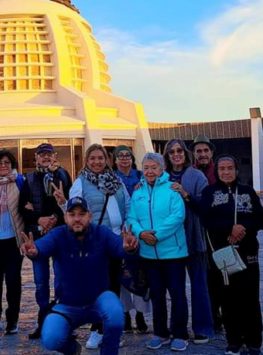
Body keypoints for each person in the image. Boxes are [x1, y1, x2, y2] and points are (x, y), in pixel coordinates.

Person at [20, 196, 139, 355]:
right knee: (50, 338)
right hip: (67, 304)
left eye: (82, 214)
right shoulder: (58, 234)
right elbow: (42, 247)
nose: (77, 219)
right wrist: (34, 251)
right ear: (65, 217)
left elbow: (120, 246)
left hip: (99, 299)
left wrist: (128, 248)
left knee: (115, 313)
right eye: (72, 214)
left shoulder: (101, 233)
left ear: (90, 216)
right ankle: (73, 350)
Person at [200, 155, 263, 355]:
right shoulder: (209, 193)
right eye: (222, 168)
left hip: (248, 252)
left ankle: (254, 341)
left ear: (236, 170)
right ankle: (234, 340)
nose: (226, 172)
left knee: (250, 298)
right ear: (217, 171)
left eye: (230, 168)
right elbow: (207, 220)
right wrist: (230, 227)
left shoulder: (247, 192)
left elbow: (262, 219)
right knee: (229, 298)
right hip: (224, 254)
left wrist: (243, 228)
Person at [65, 144, 131, 350]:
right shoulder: (80, 183)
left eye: (100, 158)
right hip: (94, 241)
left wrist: (126, 230)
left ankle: (111, 330)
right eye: (92, 158)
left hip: (116, 240)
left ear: (107, 160)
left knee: (113, 285)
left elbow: (127, 206)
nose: (97, 162)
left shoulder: (117, 181)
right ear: (86, 161)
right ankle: (97, 328)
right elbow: (73, 212)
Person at [126, 152, 189, 352]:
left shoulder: (172, 190)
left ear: (161, 169)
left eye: (154, 167)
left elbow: (177, 216)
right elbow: (131, 217)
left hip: (174, 254)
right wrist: (141, 233)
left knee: (177, 295)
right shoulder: (138, 192)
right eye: (146, 168)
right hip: (149, 255)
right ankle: (160, 333)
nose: (150, 171)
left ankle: (180, 333)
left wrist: (157, 235)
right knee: (157, 295)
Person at [164, 139, 214, 344]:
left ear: (185, 153)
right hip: (171, 240)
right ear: (167, 155)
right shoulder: (162, 176)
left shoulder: (196, 175)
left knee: (199, 285)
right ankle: (176, 327)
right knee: (175, 288)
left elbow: (206, 205)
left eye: (179, 151)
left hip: (193, 237)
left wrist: (186, 195)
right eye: (172, 152)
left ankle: (202, 327)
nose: (176, 154)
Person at [23, 143, 72, 339]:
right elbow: (23, 206)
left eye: (48, 155)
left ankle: (63, 323)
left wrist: (52, 219)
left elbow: (68, 202)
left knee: (62, 281)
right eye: (41, 155)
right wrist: (39, 219)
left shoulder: (63, 175)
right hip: (38, 236)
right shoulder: (29, 178)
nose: (45, 158)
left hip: (59, 234)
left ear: (54, 156)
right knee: (41, 283)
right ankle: (43, 321)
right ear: (36, 157)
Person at [0, 150, 30, 335]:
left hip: (12, 240)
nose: (3, 166)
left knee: (13, 280)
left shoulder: (19, 182)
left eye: (7, 162)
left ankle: (13, 319)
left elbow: (26, 204)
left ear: (12, 165)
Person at [112, 146, 149, 334]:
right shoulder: (111, 178)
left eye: (127, 155)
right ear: (115, 159)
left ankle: (141, 314)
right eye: (121, 156)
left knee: (140, 273)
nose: (125, 159)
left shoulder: (142, 175)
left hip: (139, 228)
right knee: (122, 274)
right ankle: (125, 313)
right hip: (120, 231)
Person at [190, 135, 223, 332]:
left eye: (205, 151)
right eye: (198, 151)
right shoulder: (190, 173)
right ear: (193, 154)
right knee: (204, 276)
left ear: (211, 152)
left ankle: (222, 313)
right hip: (197, 232)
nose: (202, 154)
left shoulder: (221, 171)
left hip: (218, 232)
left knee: (222, 273)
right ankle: (210, 314)